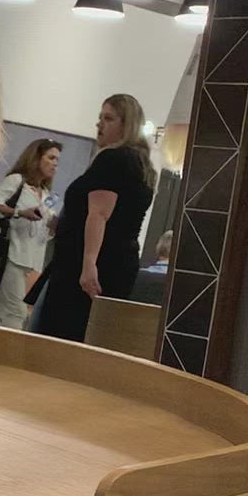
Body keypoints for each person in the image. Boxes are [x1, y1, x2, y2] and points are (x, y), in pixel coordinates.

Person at [31, 93, 156, 343]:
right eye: (100, 117)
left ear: (126, 124)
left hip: (88, 266)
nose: (99, 124)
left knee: (60, 339)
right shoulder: (142, 166)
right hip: (117, 262)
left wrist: (89, 264)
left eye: (108, 118)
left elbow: (99, 213)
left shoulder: (113, 158)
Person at [0, 138, 62, 329]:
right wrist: (19, 213)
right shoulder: (16, 181)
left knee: (1, 310)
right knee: (15, 311)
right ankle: (6, 352)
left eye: (57, 160)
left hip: (31, 258)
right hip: (10, 254)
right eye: (51, 158)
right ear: (37, 157)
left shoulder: (45, 193)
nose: (55, 164)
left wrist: (54, 226)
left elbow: (43, 231)